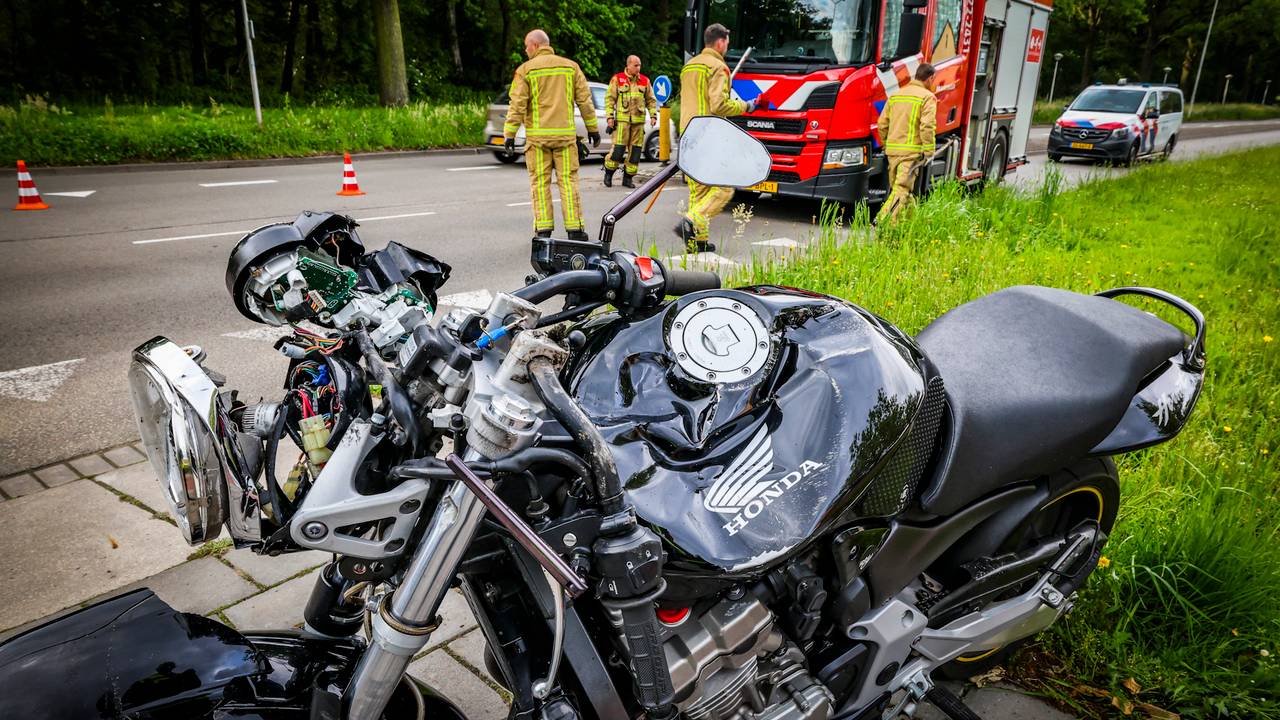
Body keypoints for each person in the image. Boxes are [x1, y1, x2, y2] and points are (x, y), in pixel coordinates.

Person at [503, 29, 600, 239]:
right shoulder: (571, 67)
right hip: (565, 139)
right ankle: (575, 230)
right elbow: (585, 101)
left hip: (537, 141)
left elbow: (517, 104)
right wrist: (593, 129)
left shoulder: (525, 70)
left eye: (526, 46)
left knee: (540, 184)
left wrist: (509, 134)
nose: (525, 50)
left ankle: (543, 231)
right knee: (569, 182)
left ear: (535, 45)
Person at [676, 23, 757, 252]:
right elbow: (719, 105)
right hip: (707, 135)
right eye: (727, 43)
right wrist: (747, 106)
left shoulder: (689, 66)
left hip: (688, 135)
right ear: (720, 42)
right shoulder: (718, 67)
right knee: (724, 188)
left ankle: (698, 242)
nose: (727, 47)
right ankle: (691, 221)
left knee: (699, 190)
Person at [876, 62, 938, 223]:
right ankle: (882, 222)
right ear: (930, 78)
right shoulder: (927, 97)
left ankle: (909, 224)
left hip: (892, 153)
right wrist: (929, 151)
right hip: (910, 154)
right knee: (902, 190)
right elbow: (927, 126)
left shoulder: (896, 95)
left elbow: (882, 124)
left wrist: (886, 145)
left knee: (901, 190)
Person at [603, 55, 658, 189]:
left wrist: (653, 115)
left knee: (635, 153)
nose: (638, 68)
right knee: (618, 150)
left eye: (639, 65)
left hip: (638, 124)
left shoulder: (645, 81)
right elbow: (609, 99)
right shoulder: (618, 79)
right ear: (628, 65)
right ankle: (609, 173)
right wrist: (610, 117)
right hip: (622, 123)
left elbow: (651, 100)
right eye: (636, 65)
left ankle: (628, 178)